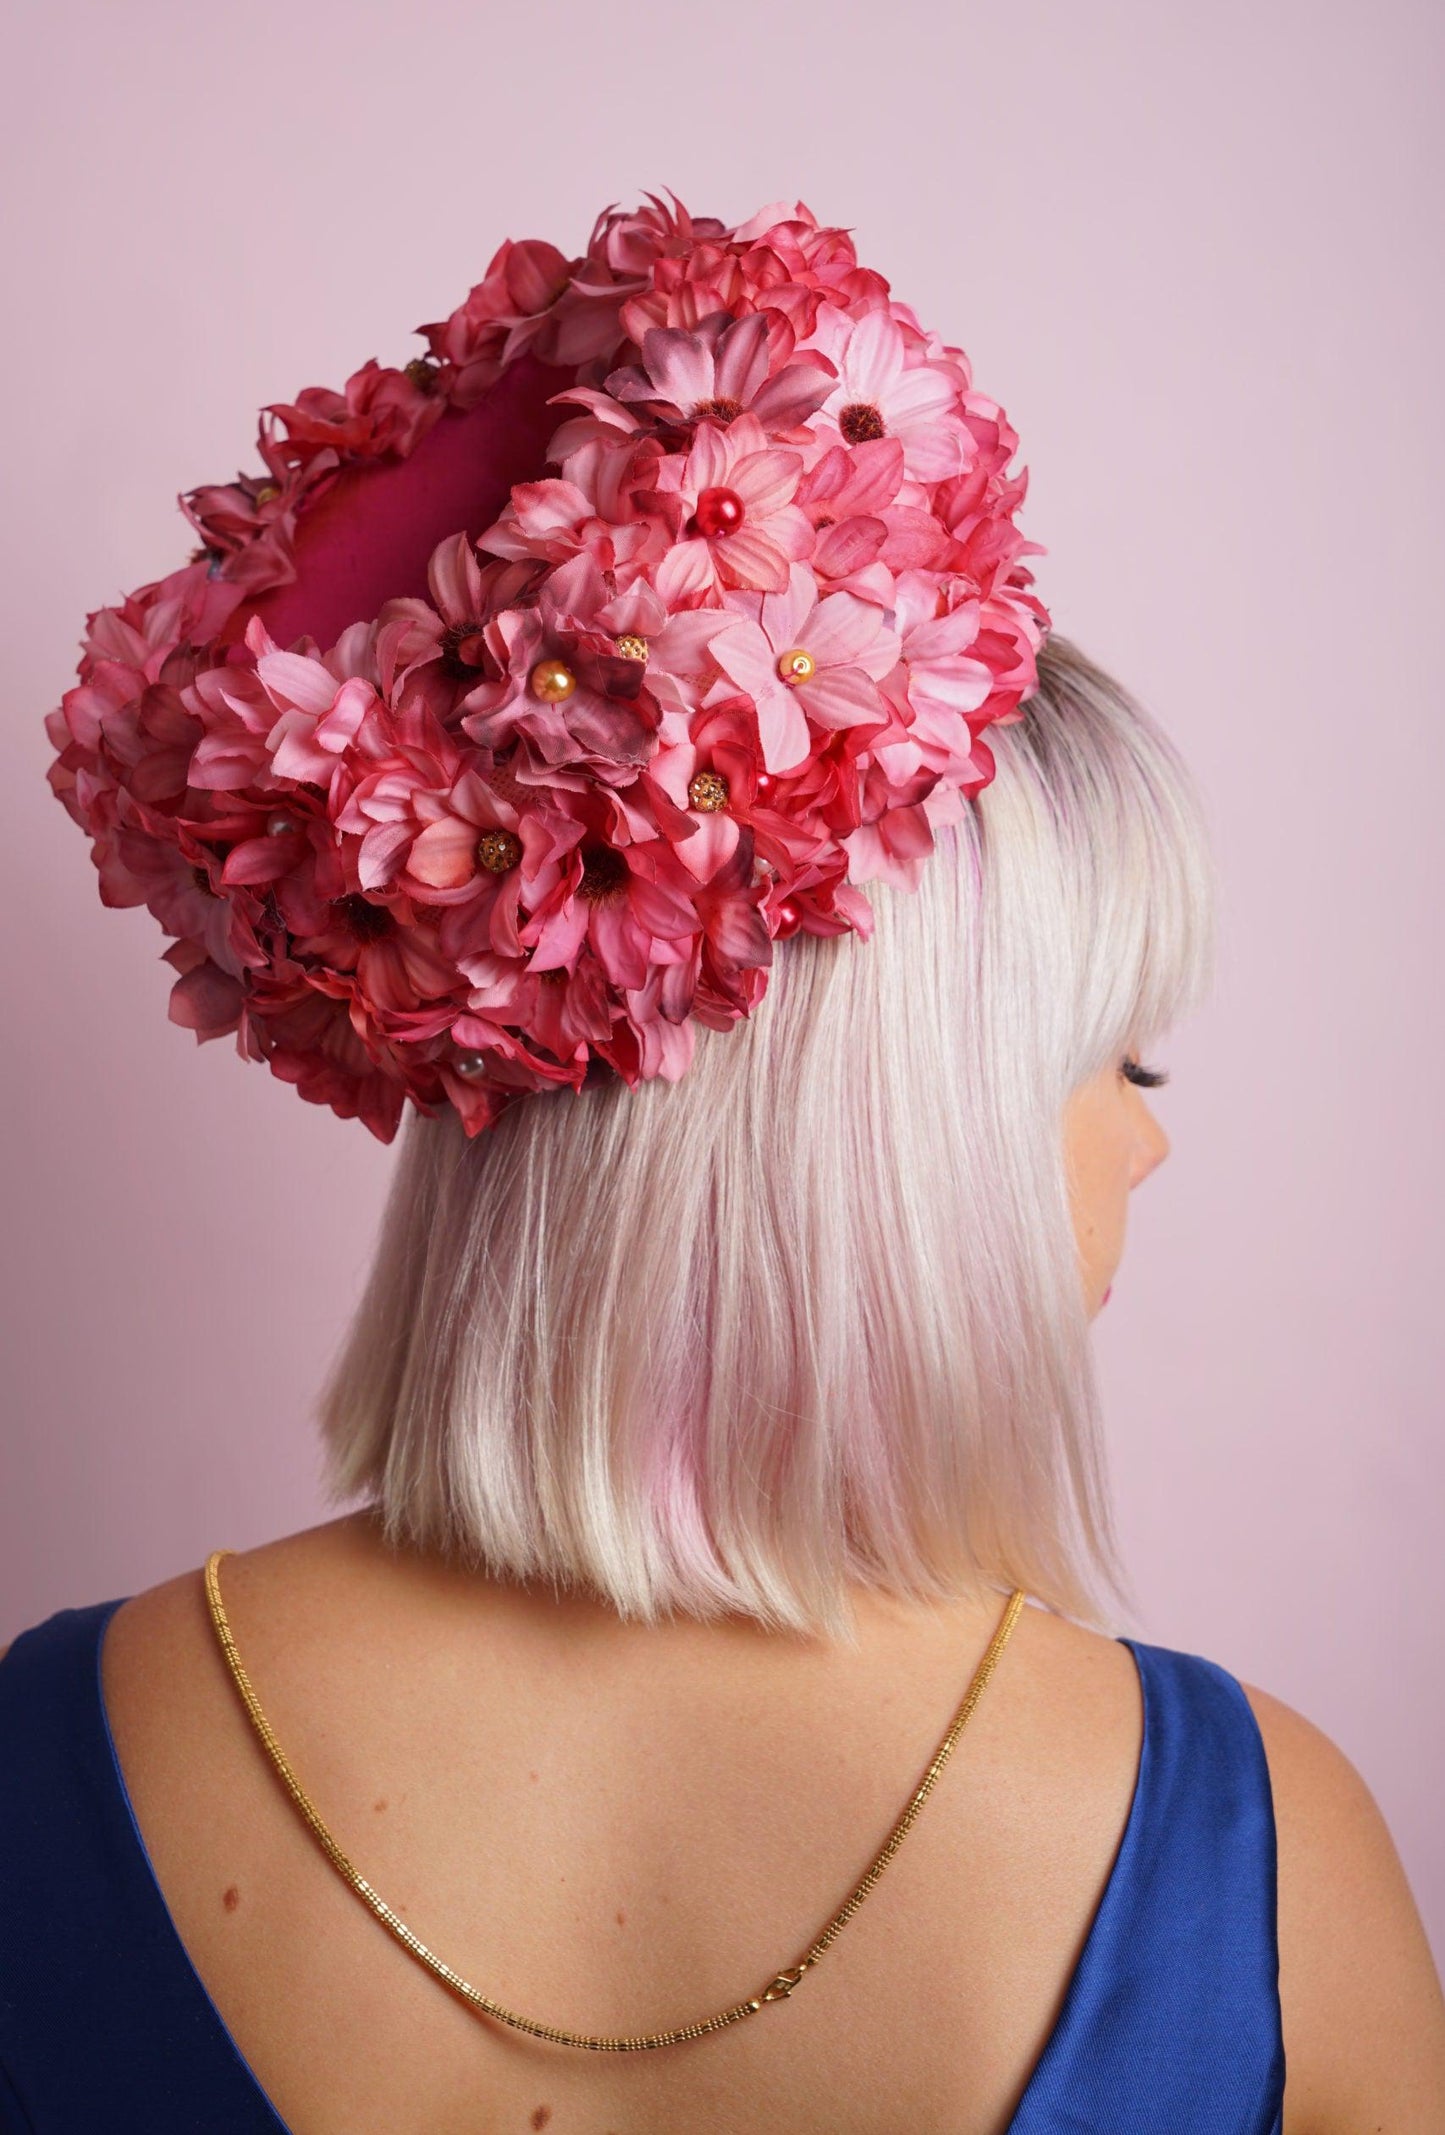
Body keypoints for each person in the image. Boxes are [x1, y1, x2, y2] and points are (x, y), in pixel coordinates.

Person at [4, 197, 1443, 2133]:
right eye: (1120, 1054)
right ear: (910, 1120)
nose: (1150, 1138)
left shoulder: (47, 1759)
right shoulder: (1256, 1862)